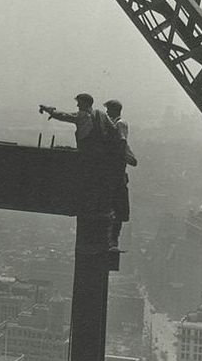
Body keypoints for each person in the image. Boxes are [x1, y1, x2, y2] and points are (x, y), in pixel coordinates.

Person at [39, 94, 125, 251]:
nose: (78, 106)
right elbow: (113, 134)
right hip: (101, 161)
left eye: (79, 103)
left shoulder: (83, 116)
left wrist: (50, 111)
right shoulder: (101, 115)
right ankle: (107, 233)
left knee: (90, 194)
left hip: (88, 159)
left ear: (85, 104)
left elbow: (65, 116)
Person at [103, 99, 137, 248]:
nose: (107, 112)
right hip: (116, 173)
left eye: (109, 109)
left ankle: (113, 239)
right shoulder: (115, 123)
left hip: (116, 174)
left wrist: (116, 159)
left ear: (114, 110)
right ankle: (111, 238)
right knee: (115, 207)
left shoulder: (120, 124)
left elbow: (121, 142)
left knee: (116, 207)